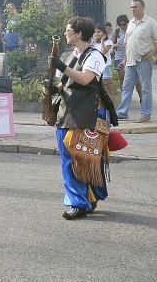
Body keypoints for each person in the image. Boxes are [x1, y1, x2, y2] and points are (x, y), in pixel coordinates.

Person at [47, 17, 117, 220]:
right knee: (69, 159)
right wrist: (55, 88)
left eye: (68, 30)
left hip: (88, 113)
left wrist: (62, 66)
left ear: (79, 33)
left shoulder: (94, 55)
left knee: (87, 159)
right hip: (68, 111)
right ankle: (81, 201)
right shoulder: (72, 54)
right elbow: (67, 84)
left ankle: (83, 201)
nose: (65, 33)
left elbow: (86, 79)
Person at [117, 0, 157, 123]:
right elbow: (127, 43)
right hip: (130, 61)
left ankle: (146, 114)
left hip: (143, 60)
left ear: (142, 8)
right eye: (131, 7)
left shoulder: (150, 22)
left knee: (145, 88)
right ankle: (122, 112)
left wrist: (152, 52)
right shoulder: (131, 23)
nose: (132, 9)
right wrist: (124, 59)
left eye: (135, 7)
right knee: (126, 87)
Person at [111, 14, 142, 105]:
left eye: (124, 24)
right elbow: (111, 46)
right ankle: (125, 100)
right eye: (120, 25)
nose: (122, 26)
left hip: (131, 58)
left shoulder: (131, 31)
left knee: (136, 80)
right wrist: (114, 46)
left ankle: (141, 98)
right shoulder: (116, 32)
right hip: (119, 58)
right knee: (122, 80)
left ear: (127, 23)